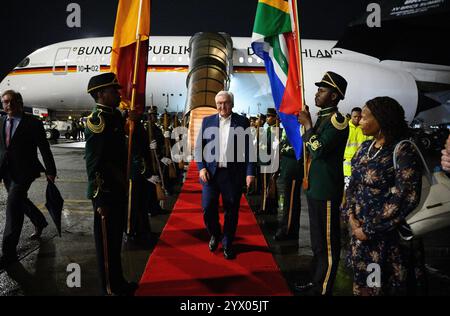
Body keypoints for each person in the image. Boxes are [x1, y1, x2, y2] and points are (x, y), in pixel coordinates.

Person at [341, 96, 422, 296]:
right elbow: (353, 185)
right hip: (360, 236)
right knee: (365, 286)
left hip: (385, 240)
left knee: (381, 286)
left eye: (365, 117)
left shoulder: (402, 150)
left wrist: (369, 228)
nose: (359, 120)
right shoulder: (365, 148)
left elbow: (407, 196)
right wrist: (350, 215)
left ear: (382, 120)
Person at [297, 71, 349, 295]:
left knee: (328, 243)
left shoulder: (337, 121)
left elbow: (317, 150)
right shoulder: (323, 118)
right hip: (315, 187)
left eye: (322, 90)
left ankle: (325, 286)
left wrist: (308, 126)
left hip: (327, 188)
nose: (317, 94)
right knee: (317, 241)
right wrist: (308, 125)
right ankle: (317, 279)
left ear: (334, 96)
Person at [84, 72, 137, 295]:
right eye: (114, 91)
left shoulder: (113, 116)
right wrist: (99, 198)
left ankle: (118, 281)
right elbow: (94, 163)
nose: (119, 94)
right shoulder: (98, 120)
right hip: (106, 192)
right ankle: (109, 288)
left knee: (115, 242)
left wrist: (129, 116)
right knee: (106, 245)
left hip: (118, 190)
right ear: (100, 94)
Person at [195, 90, 255, 260]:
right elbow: (199, 148)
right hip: (210, 175)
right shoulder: (207, 122)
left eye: (226, 102)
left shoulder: (242, 122)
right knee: (207, 208)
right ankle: (215, 234)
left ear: (232, 104)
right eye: (219, 103)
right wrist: (201, 168)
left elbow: (249, 150)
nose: (222, 106)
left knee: (231, 211)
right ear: (216, 105)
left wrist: (250, 173)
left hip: (232, 175)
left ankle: (228, 243)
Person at [0, 90, 56, 268]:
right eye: (4, 102)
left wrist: (50, 170)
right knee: (19, 201)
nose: (7, 105)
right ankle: (39, 221)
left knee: (13, 207)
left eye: (10, 102)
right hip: (6, 171)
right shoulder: (1, 121)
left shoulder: (32, 122)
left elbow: (44, 147)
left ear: (19, 102)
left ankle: (8, 254)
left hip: (25, 171)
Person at [274, 130, 303, 241]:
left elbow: (297, 150)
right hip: (288, 171)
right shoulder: (291, 130)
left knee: (291, 204)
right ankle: (287, 227)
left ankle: (288, 230)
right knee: (288, 203)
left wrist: (282, 149)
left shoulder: (299, 130)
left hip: (294, 171)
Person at [257, 107, 279, 214]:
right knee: (266, 185)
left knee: (267, 185)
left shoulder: (277, 130)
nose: (267, 118)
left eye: (269, 116)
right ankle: (270, 206)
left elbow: (271, 147)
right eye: (266, 116)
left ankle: (264, 207)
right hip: (264, 160)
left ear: (276, 118)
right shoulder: (269, 129)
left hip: (268, 162)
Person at [343, 107, 372, 188]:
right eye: (354, 116)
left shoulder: (365, 129)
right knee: (347, 189)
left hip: (361, 165)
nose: (357, 119)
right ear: (351, 116)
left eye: (359, 117)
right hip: (346, 165)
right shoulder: (344, 128)